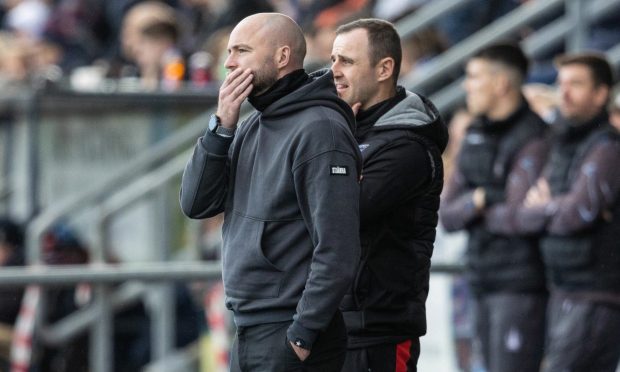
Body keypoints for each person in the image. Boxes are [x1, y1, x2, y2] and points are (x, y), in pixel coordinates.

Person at [179, 12, 361, 371]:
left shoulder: (320, 129)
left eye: (242, 51)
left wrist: (302, 334)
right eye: (229, 52)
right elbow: (196, 203)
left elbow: (338, 249)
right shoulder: (249, 126)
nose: (229, 62)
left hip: (291, 334)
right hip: (249, 328)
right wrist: (220, 130)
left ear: (281, 57)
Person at [330, 18, 448, 371]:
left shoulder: (408, 147)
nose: (333, 71)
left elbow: (338, 212)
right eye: (333, 59)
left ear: (385, 69)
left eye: (347, 61)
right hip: (331, 325)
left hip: (378, 331)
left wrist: (332, 147)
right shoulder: (342, 127)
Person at [440, 42, 549, 372]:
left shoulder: (537, 137)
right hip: (480, 277)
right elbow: (447, 215)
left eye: (474, 76)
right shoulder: (474, 133)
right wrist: (481, 199)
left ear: (501, 84)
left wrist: (474, 204)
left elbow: (520, 218)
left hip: (520, 284)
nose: (466, 85)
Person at [514, 53, 620, 372]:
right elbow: (522, 215)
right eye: (561, 84)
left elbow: (578, 212)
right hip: (562, 288)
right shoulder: (562, 142)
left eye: (576, 84)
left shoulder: (608, 147)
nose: (565, 93)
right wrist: (556, 207)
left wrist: (545, 206)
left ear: (601, 94)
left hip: (596, 294)